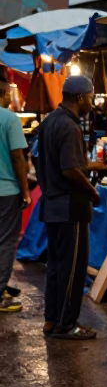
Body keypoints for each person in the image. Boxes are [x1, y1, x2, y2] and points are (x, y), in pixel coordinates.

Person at [36, 74, 101, 339]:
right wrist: (92, 191)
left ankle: (52, 320)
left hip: (53, 204)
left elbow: (45, 159)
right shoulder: (70, 127)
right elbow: (71, 170)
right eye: (90, 97)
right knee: (71, 269)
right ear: (79, 97)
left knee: (55, 267)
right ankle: (66, 324)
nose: (92, 102)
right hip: (70, 208)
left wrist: (95, 166)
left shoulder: (50, 121)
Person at [0, 69, 31, 314]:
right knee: (6, 242)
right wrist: (25, 190)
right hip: (6, 190)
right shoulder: (9, 119)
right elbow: (18, 157)